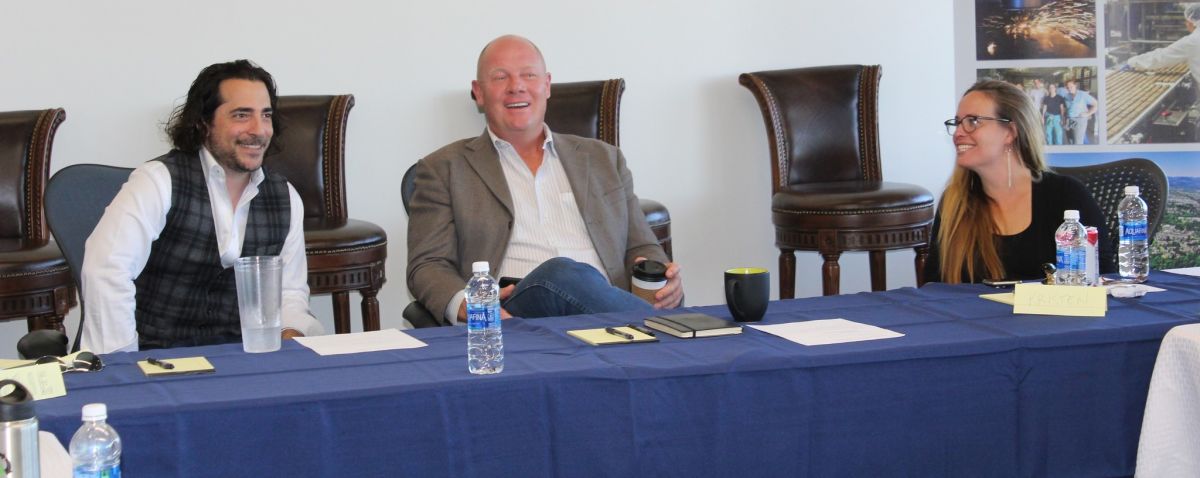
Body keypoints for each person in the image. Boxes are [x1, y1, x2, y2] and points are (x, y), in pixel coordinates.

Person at [407, 35, 684, 324]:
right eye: (500, 77)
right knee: (562, 274)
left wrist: (659, 275)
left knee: (574, 277)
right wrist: (467, 304)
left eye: (529, 75)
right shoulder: (443, 168)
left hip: (600, 312)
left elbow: (641, 247)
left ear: (547, 85)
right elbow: (427, 265)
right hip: (516, 317)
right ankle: (667, 334)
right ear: (479, 92)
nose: (516, 86)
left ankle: (654, 330)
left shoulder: (604, 159)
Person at [81, 60, 323, 353]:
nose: (259, 130)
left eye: (266, 115)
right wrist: (122, 367)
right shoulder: (157, 182)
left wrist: (290, 333)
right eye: (242, 115)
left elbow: (289, 293)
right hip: (157, 361)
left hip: (243, 362)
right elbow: (106, 271)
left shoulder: (285, 197)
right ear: (204, 123)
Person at [925, 80, 1115, 283]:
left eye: (972, 121)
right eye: (957, 122)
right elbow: (935, 286)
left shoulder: (1066, 195)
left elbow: (1103, 277)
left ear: (1010, 132)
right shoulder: (955, 202)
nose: (958, 133)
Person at [1125, 3, 1200, 140]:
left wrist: (1131, 62)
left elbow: (1160, 57)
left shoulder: (1194, 40)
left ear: (1191, 21)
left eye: (1185, 20)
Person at [1064, 79, 1098, 145]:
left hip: (1080, 120)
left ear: (1075, 85)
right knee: (1071, 139)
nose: (1069, 89)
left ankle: (1078, 154)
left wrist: (1088, 113)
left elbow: (1095, 104)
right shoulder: (1067, 96)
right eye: (1067, 87)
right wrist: (1065, 119)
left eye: (1071, 86)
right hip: (1071, 120)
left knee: (1078, 142)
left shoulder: (1082, 95)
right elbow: (1068, 109)